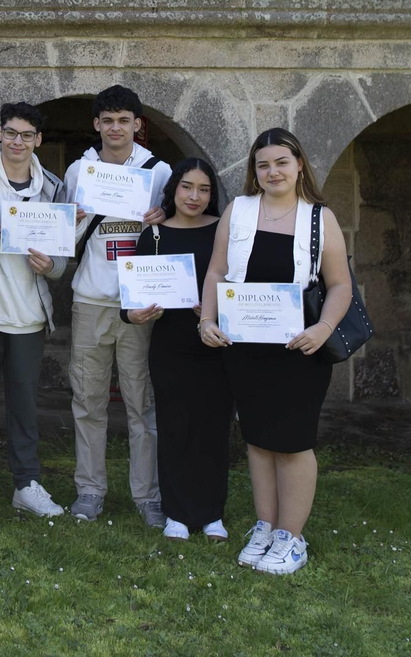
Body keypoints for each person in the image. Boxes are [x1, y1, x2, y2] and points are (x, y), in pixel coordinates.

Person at [198, 128, 351, 576]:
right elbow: (216, 272)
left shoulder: (320, 218)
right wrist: (207, 320)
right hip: (245, 346)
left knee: (294, 441)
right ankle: (266, 526)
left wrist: (323, 328)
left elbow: (340, 284)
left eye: (281, 162)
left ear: (299, 164)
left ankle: (291, 537)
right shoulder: (239, 210)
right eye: (263, 165)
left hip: (299, 347)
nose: (272, 171)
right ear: (254, 171)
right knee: (259, 440)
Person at [63, 85, 173, 526]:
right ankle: (89, 490)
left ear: (137, 125)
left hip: (139, 301)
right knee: (87, 400)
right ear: (96, 125)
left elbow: (180, 226)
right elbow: (63, 243)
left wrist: (165, 217)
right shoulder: (79, 170)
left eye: (123, 120)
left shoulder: (158, 172)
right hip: (91, 297)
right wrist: (73, 220)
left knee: (141, 403)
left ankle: (148, 496)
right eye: (107, 120)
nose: (115, 128)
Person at [0, 102, 68, 519]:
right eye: (9, 132)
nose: (16, 141)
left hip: (29, 315)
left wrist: (51, 265)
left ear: (38, 140)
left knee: (24, 403)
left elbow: (60, 258)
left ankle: (26, 483)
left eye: (26, 135)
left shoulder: (53, 187)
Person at [124, 158, 231, 543]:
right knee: (174, 427)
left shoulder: (225, 231)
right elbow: (131, 297)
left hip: (217, 345)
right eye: (187, 187)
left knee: (214, 428)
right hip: (170, 346)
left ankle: (211, 513)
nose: (194, 196)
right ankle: (177, 514)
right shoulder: (154, 233)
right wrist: (133, 315)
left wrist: (220, 309)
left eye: (204, 190)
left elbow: (237, 285)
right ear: (174, 190)